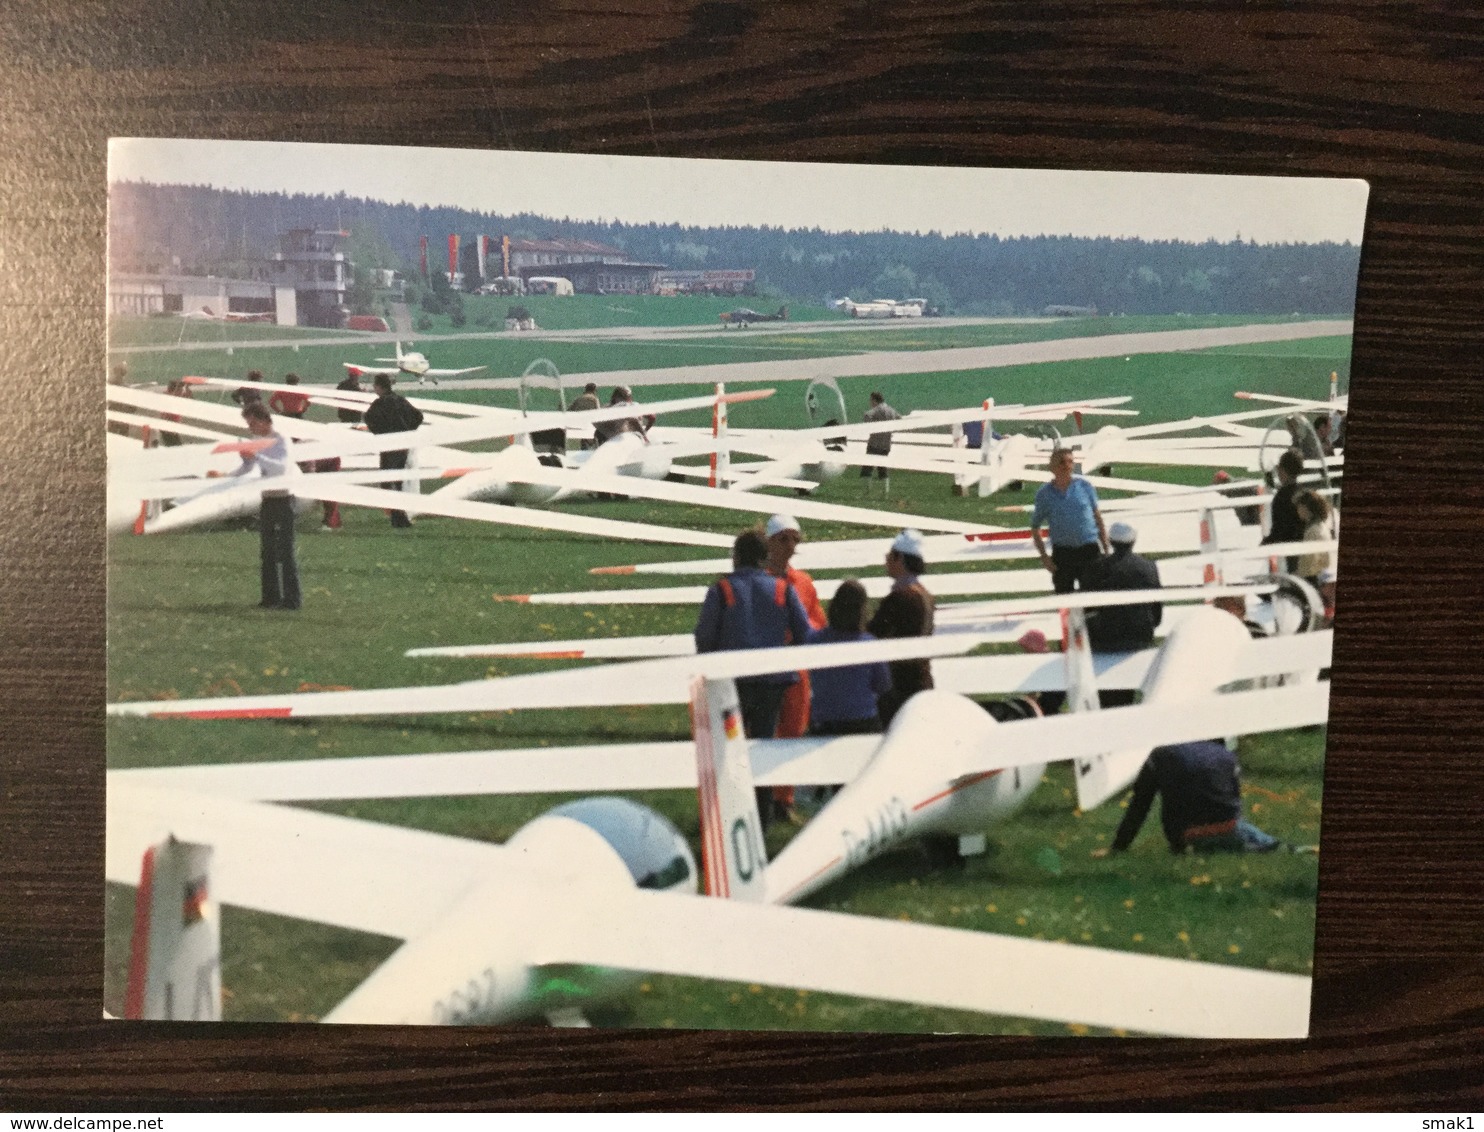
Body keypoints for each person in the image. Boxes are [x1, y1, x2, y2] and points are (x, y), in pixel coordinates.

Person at [694, 529, 813, 825]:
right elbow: (804, 633)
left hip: (731, 682)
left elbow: (705, 636)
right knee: (764, 745)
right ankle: (764, 814)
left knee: (729, 751)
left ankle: (727, 816)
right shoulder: (782, 589)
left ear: (736, 557)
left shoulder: (722, 590)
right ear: (765, 558)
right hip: (772, 682)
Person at [1091, 741, 1289, 856]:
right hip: (1231, 827)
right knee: (1262, 842)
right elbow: (1234, 799)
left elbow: (1140, 806)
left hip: (1187, 838)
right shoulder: (1225, 754)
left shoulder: (1160, 756)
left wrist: (1117, 848)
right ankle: (1286, 848)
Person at [764, 515, 828, 820]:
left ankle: (783, 801)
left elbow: (817, 622)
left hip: (797, 669)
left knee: (793, 731)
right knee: (761, 733)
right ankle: (760, 797)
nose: (790, 545)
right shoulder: (759, 581)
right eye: (784, 539)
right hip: (765, 669)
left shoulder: (803, 582)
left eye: (795, 539)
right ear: (770, 543)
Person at [1079, 521, 1162, 707]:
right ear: (1134, 541)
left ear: (1110, 541)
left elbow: (1084, 607)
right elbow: (1157, 609)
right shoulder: (1148, 567)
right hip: (1139, 635)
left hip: (1104, 637)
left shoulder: (1096, 567)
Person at [228, 403, 301, 610]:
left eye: (252, 423)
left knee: (286, 551)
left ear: (263, 421)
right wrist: (226, 476)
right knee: (267, 551)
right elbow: (248, 467)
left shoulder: (281, 440)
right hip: (268, 499)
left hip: (284, 499)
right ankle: (270, 597)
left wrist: (256, 455)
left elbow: (280, 468)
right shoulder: (257, 441)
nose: (250, 428)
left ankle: (292, 599)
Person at [867, 528, 935, 726]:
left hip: (899, 687)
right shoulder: (925, 595)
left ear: (899, 559)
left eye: (890, 555)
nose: (886, 559)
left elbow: (874, 633)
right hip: (921, 680)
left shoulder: (900, 597)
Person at [806, 579, 891, 736]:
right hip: (862, 720)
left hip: (824, 721)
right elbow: (883, 684)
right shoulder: (869, 644)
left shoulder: (815, 640)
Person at [1031, 447, 1110, 596]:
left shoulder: (1085, 487)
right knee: (1064, 599)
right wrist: (1044, 557)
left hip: (1089, 551)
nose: (1067, 466)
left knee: (1093, 599)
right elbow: (1035, 527)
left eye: (1070, 462)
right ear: (1052, 467)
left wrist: (1105, 547)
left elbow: (1097, 516)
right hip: (1063, 554)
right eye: (1062, 462)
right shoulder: (1044, 494)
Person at [364, 373, 424, 528]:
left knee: (388, 482)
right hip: (402, 445)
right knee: (398, 481)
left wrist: (380, 433)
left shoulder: (379, 404)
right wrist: (407, 431)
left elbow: (369, 419)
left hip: (388, 446)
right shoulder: (401, 401)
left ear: (379, 386)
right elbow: (418, 417)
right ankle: (399, 515)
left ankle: (398, 516)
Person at [1262, 448, 1307, 572]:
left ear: (1283, 470)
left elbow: (1279, 530)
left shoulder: (1281, 497)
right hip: (1306, 548)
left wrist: (1264, 544)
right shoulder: (1304, 493)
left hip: (1291, 552)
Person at [1292, 490, 1334, 586]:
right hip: (1321, 576)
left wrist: (1294, 577)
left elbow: (1309, 565)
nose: (1297, 510)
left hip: (1316, 580)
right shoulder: (1318, 526)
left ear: (1306, 508)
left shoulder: (1313, 531)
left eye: (1299, 506)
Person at [860, 391, 900, 488]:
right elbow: (899, 418)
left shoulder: (876, 409)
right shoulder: (891, 410)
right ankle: (885, 491)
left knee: (867, 468)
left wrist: (870, 425)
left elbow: (867, 415)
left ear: (874, 400)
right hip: (886, 444)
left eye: (871, 400)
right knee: (883, 468)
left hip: (874, 443)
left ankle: (867, 490)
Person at [160, 379, 192, 446]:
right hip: (169, 430)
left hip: (170, 429)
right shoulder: (169, 397)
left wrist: (187, 387)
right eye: (180, 389)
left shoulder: (173, 396)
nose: (181, 391)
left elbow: (187, 396)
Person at [568, 382, 601, 449]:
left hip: (579, 425)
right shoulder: (594, 399)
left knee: (584, 443)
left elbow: (570, 410)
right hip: (590, 425)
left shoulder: (579, 399)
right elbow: (598, 413)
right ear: (594, 390)